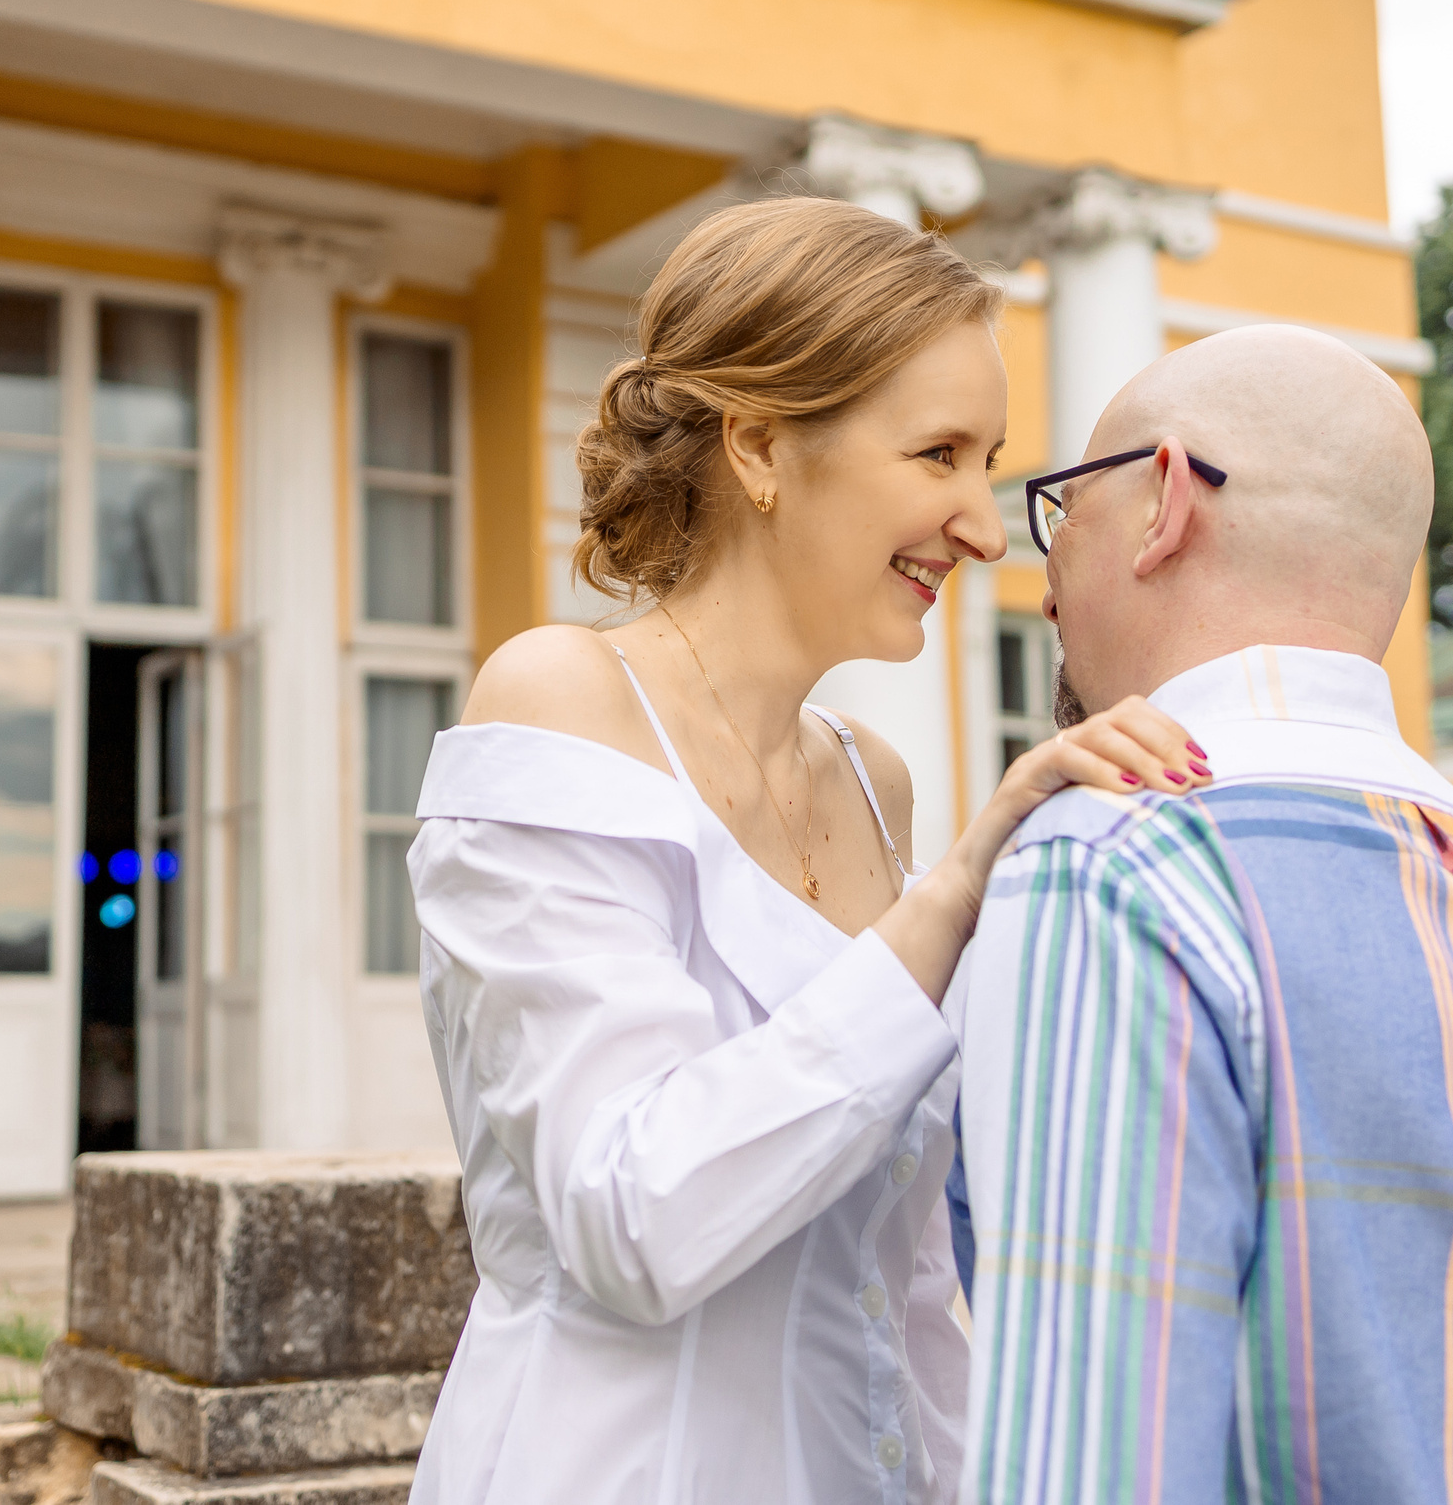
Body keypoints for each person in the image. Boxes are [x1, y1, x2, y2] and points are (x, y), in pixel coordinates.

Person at [406, 197, 1211, 1505]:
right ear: (762, 445)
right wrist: (957, 889)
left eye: (988, 463)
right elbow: (633, 1216)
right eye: (937, 454)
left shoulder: (873, 780)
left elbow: (905, 1266)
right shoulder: (561, 698)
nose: (985, 527)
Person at [952, 325, 1453, 1505]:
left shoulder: (1110, 867)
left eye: (1064, 509)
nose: (1039, 582)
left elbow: (1082, 1468)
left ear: (1163, 502)